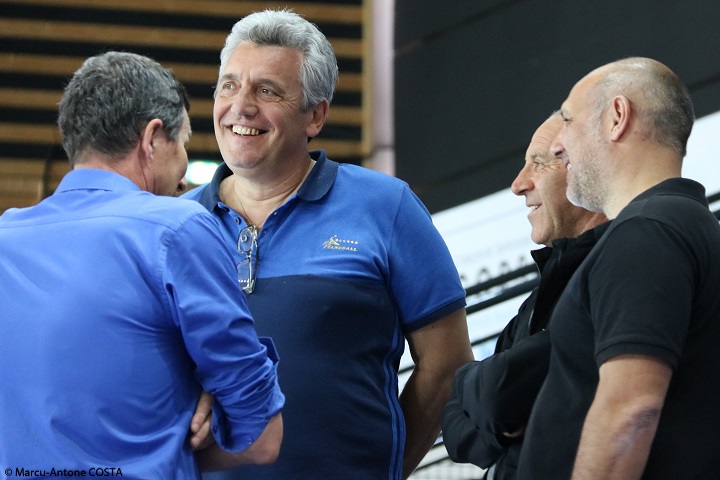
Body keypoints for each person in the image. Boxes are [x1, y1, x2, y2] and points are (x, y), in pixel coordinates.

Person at [182, 9, 474, 480]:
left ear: (315, 115)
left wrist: (387, 470)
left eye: (267, 91)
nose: (241, 106)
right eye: (229, 86)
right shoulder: (175, 224)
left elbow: (447, 365)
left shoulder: (387, 206)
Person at [0, 51, 285, 479]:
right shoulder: (177, 227)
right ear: (152, 139)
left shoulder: (5, 238)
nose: (184, 179)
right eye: (182, 143)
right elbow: (262, 438)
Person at [517, 57, 720, 479]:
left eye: (568, 121)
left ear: (617, 117)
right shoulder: (681, 224)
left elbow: (631, 412)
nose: (558, 146)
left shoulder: (646, 233)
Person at [441, 114, 607, 479]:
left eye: (539, 163)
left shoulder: (612, 276)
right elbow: (455, 429)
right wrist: (498, 421)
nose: (518, 185)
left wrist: (471, 384)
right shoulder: (538, 297)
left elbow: (496, 395)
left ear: (586, 171)